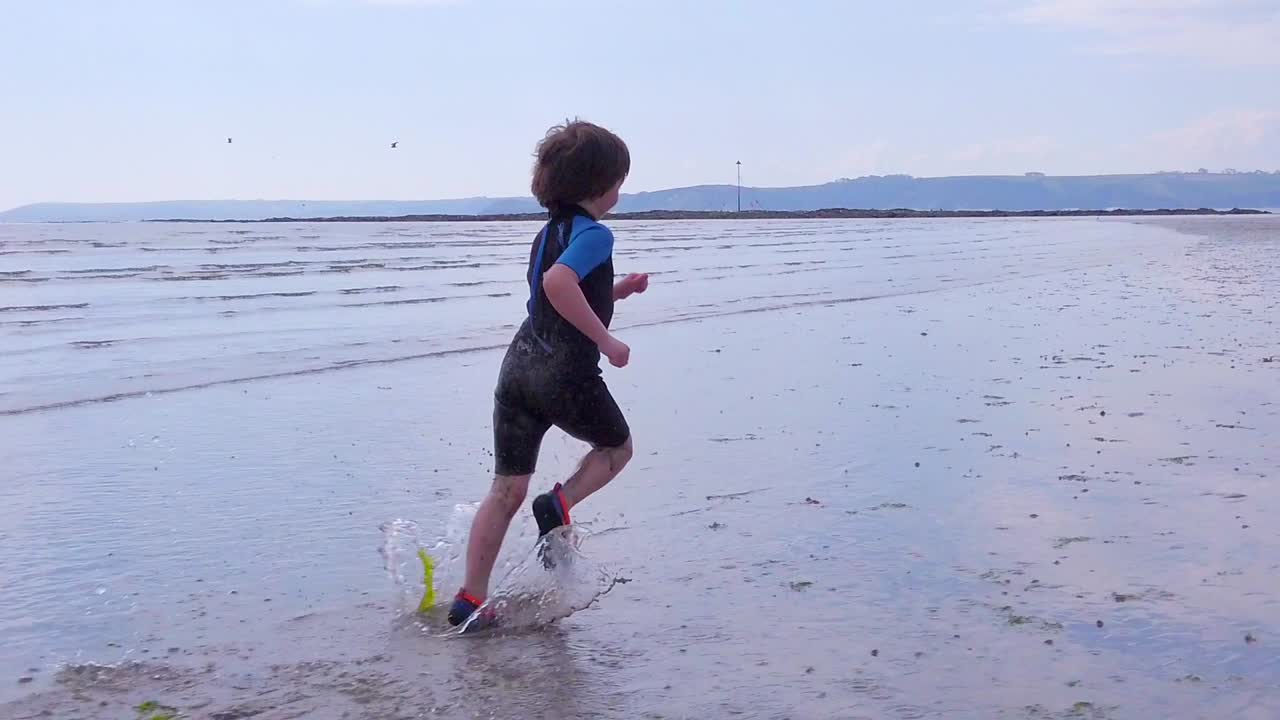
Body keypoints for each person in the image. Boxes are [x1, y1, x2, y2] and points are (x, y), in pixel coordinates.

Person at [448, 120, 649, 627]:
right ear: (600, 186)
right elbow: (561, 284)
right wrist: (608, 341)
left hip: (518, 370)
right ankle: (560, 503)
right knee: (616, 448)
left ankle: (470, 600)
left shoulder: (547, 234)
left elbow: (552, 293)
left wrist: (617, 291)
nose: (619, 193)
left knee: (505, 490)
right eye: (618, 182)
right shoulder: (596, 235)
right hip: (564, 373)